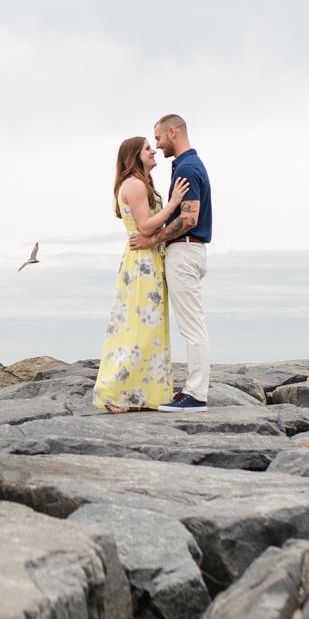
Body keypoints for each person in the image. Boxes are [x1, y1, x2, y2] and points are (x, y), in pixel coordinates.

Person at [94, 136, 191, 412]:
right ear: (135, 155)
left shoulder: (141, 183)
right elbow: (145, 227)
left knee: (147, 329)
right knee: (140, 329)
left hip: (148, 260)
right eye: (148, 148)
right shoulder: (135, 184)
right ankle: (112, 391)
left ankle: (140, 393)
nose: (154, 151)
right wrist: (173, 204)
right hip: (142, 263)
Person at [129, 114, 211, 410]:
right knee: (191, 323)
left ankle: (196, 394)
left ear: (172, 132)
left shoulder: (187, 167)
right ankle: (192, 390)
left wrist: (152, 240)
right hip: (189, 251)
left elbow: (188, 218)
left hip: (185, 250)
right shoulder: (186, 165)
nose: (158, 145)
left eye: (159, 138)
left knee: (191, 325)